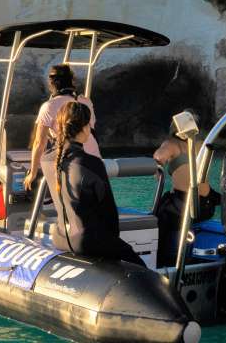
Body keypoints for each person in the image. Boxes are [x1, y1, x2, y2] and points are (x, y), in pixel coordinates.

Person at [47, 100, 142, 265]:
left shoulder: (47, 159)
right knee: (138, 265)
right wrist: (112, 243)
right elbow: (110, 214)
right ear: (84, 128)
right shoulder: (91, 164)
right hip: (87, 243)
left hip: (59, 237)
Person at [151, 111, 220, 266]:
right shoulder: (201, 145)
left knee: (160, 211)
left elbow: (158, 157)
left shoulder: (171, 144)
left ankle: (159, 261)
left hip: (185, 206)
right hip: (207, 205)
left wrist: (158, 166)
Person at [24, 64, 98, 192]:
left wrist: (33, 173)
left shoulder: (49, 106)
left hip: (72, 162)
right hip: (95, 161)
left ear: (52, 83)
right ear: (72, 81)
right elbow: (91, 129)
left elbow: (39, 143)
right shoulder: (85, 102)